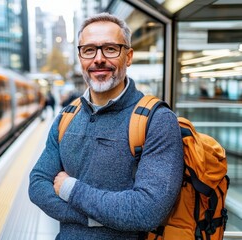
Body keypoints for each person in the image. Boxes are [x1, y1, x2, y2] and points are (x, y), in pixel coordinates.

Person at [28, 13, 184, 239]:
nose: (98, 58)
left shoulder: (157, 120)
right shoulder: (67, 116)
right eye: (89, 50)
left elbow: (147, 211)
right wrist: (93, 219)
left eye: (110, 49)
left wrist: (69, 188)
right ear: (80, 57)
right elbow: (37, 184)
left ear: (128, 57)